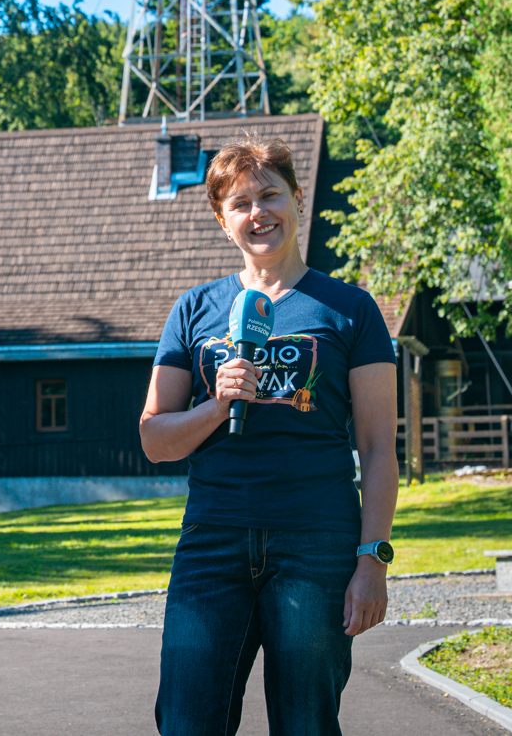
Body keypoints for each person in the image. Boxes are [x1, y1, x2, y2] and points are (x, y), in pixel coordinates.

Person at [140, 135, 398, 736]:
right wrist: (216, 405)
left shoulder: (352, 311)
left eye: (270, 195)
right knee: (185, 722)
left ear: (297, 199)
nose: (258, 213)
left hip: (317, 543)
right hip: (212, 542)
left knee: (306, 724)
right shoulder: (194, 309)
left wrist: (373, 560)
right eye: (240, 203)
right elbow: (155, 438)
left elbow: (380, 448)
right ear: (222, 219)